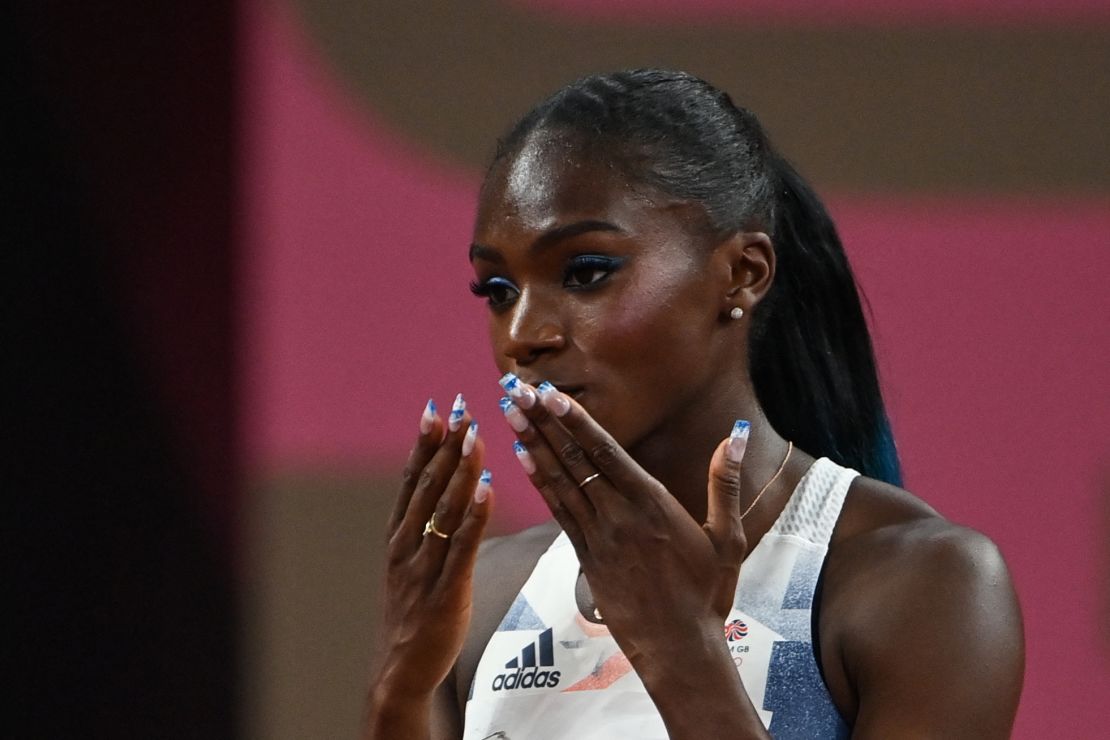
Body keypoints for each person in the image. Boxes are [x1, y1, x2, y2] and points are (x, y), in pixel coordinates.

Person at [364, 69, 1024, 739]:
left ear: (742, 273)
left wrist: (683, 651)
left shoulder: (919, 582)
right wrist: (400, 687)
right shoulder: (489, 598)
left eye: (585, 272)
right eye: (499, 289)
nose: (523, 335)